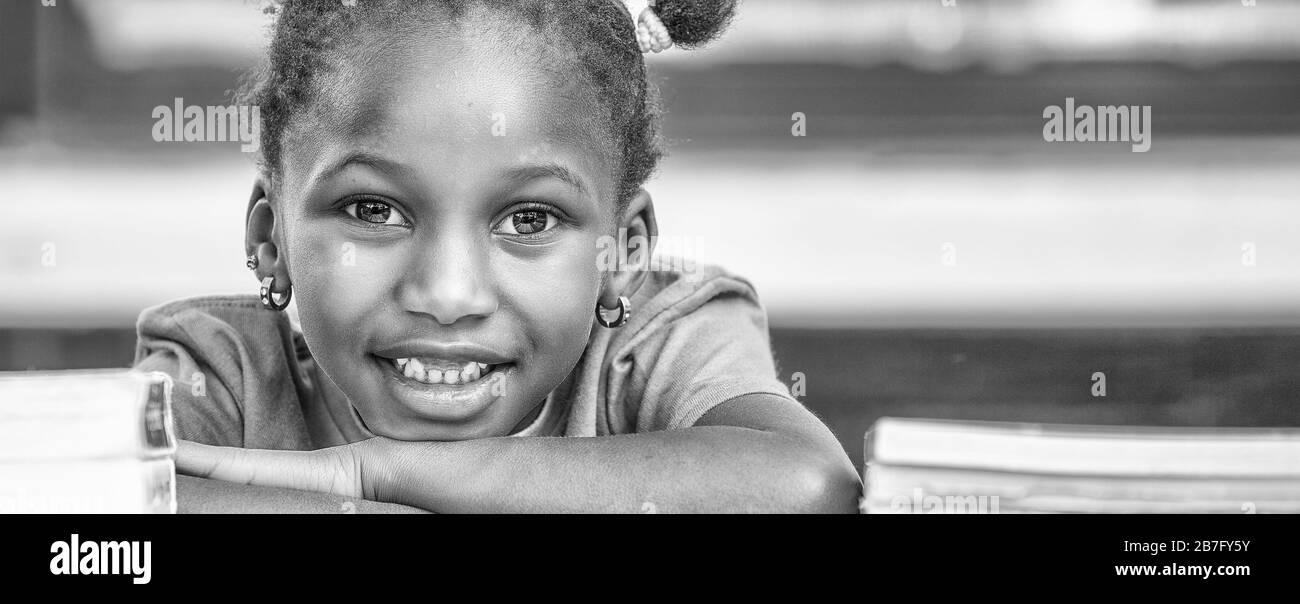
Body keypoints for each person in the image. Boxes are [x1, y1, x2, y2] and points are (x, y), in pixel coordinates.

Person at [134, 0, 859, 513]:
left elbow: (806, 487)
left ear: (624, 252)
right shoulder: (222, 372)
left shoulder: (662, 343)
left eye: (529, 219)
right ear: (270, 241)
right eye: (373, 210)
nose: (448, 294)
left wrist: (376, 476)